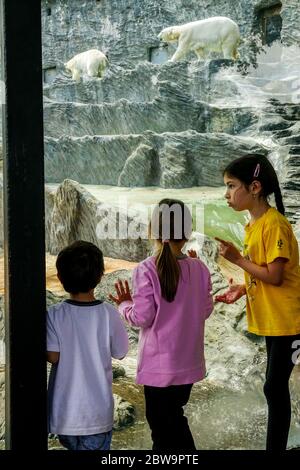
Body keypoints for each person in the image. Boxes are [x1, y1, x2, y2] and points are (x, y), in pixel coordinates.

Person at [109, 199, 213, 451]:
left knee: (162, 428)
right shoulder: (199, 267)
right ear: (187, 233)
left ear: (152, 231)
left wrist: (124, 305)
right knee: (174, 419)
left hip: (159, 367)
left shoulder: (146, 269)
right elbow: (206, 309)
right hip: (188, 364)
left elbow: (142, 318)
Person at [215, 154, 300, 451]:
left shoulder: (274, 225)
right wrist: (242, 287)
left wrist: (237, 259)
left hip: (290, 320)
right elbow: (265, 272)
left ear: (254, 187)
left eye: (231, 186)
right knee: (274, 386)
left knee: (273, 386)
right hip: (274, 320)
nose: (226, 194)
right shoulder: (253, 223)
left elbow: (276, 276)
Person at [47, 240, 128, 451]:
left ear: (61, 277)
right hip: (97, 415)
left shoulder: (54, 314)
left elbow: (53, 356)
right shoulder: (108, 313)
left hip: (65, 415)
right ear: (101, 276)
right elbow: (121, 352)